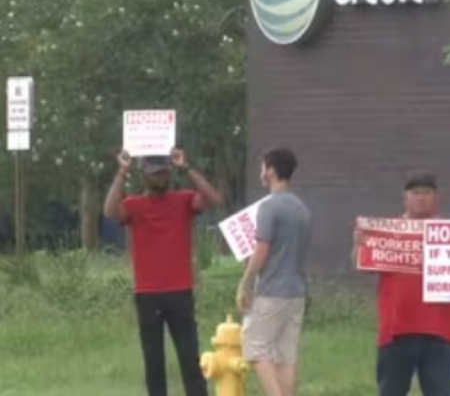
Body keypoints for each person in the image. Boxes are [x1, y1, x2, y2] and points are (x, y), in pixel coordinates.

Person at [103, 148, 224, 396]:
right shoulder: (133, 205)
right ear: (143, 176)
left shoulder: (184, 200)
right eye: (154, 173)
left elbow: (214, 200)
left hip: (180, 290)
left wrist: (186, 167)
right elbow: (108, 211)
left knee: (190, 357)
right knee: (153, 360)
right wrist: (121, 172)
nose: (160, 177)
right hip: (148, 293)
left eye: (164, 172)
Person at [361, 172, 450, 396]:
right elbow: (365, 266)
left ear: (437, 198)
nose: (421, 198)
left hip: (440, 331)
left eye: (426, 193)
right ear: (405, 198)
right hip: (396, 330)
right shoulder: (387, 231)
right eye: (415, 193)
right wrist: (358, 247)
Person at [236, 147, 313, 396]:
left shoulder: (269, 207)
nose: (261, 172)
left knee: (255, 347)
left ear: (270, 170)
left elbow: (261, 250)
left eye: (262, 167)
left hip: (271, 291)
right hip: (297, 293)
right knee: (284, 357)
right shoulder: (302, 208)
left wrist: (245, 284)